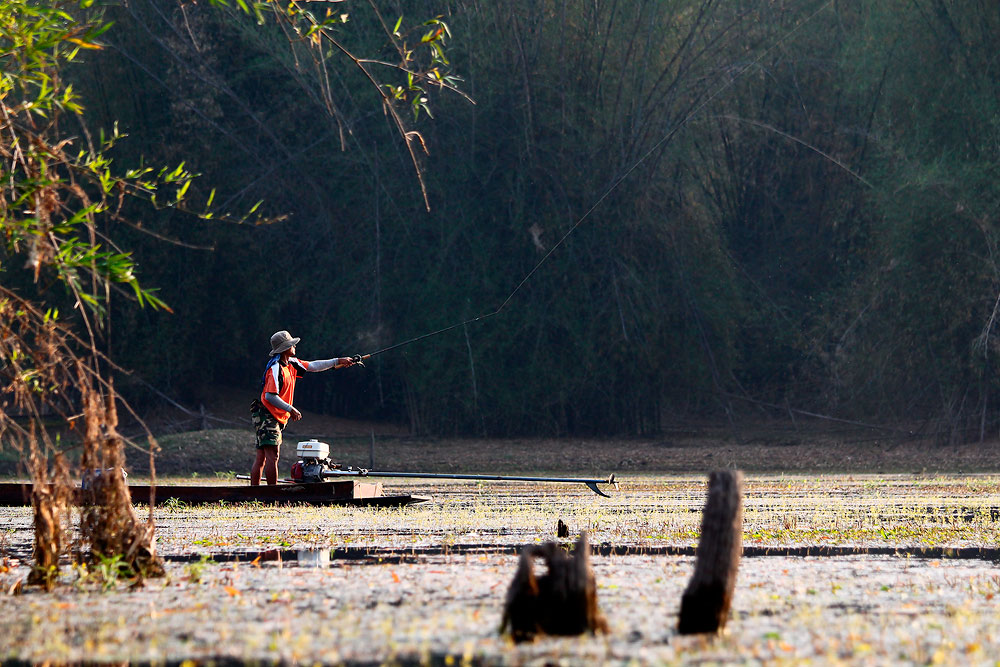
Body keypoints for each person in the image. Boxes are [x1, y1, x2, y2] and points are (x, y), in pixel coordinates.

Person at [250, 330, 358, 486]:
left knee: (263, 456)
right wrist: (291, 408)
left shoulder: (292, 363)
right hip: (267, 415)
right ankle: (270, 494)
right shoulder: (275, 368)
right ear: (285, 348)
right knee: (272, 456)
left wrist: (338, 360)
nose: (294, 346)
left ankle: (256, 493)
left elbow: (313, 366)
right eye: (291, 344)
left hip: (273, 416)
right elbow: (269, 396)